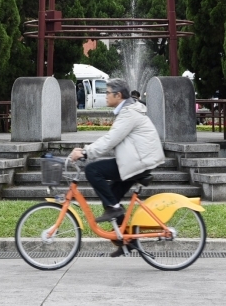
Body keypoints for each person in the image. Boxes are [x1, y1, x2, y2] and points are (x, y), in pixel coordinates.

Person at [69, 78, 165, 224]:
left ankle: (114, 209)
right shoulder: (129, 110)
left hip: (140, 162)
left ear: (118, 95)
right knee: (111, 198)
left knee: (92, 170)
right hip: (139, 161)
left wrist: (85, 152)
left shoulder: (129, 113)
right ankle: (127, 243)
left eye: (107, 92)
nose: (105, 96)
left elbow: (110, 139)